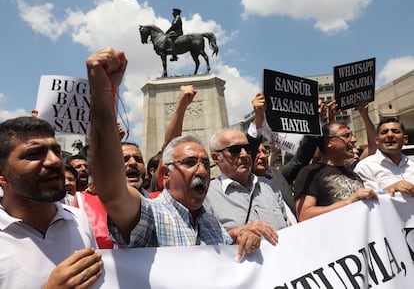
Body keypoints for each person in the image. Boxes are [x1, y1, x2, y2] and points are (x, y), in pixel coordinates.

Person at [87, 47, 261, 260]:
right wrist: (104, 96)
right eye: (189, 162)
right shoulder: (150, 215)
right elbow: (113, 193)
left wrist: (241, 235)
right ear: (165, 174)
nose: (202, 170)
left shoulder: (210, 222)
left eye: (206, 163)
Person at [0, 116, 102, 288]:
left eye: (57, 152)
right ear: (2, 174)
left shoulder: (79, 220)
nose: (55, 161)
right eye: (34, 154)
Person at [204, 128, 285, 244]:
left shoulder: (270, 187)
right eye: (235, 150)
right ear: (216, 157)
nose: (244, 154)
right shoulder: (207, 196)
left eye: (247, 148)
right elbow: (206, 245)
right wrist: (237, 233)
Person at [294, 122, 379, 222]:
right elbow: (304, 215)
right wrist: (348, 202)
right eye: (346, 136)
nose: (353, 140)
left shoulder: (353, 174)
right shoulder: (310, 173)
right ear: (328, 143)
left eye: (352, 135)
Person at [354, 117, 414, 196]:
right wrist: (391, 189)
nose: (390, 135)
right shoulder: (365, 167)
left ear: (405, 139)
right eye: (384, 132)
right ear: (377, 141)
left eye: (395, 131)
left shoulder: (411, 165)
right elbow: (365, 201)